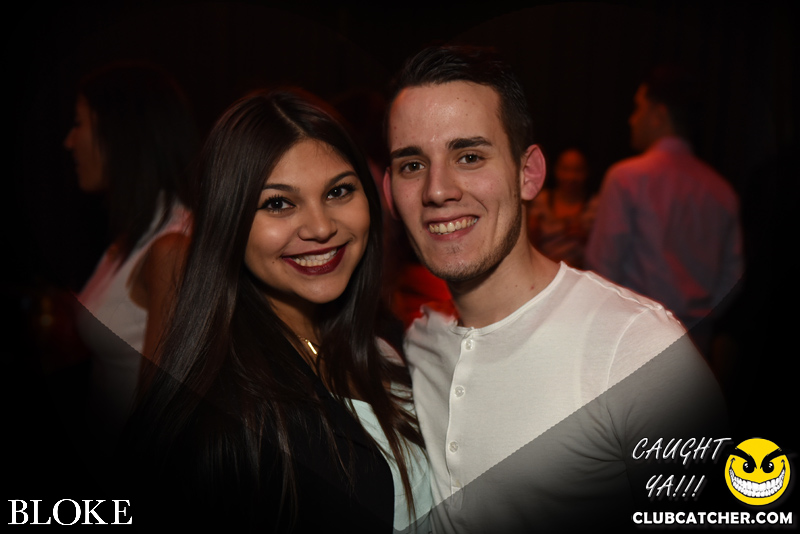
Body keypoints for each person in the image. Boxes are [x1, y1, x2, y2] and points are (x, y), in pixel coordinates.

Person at [382, 46, 727, 532]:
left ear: (528, 174)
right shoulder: (415, 343)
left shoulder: (637, 349)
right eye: (412, 165)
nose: (437, 190)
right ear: (389, 190)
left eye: (470, 156)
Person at [125, 89, 431, 532]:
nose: (321, 227)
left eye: (339, 191)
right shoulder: (220, 422)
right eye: (278, 203)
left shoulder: (385, 340)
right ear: (228, 221)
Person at [63, 61, 198, 441]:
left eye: (78, 123)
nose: (69, 141)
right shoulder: (137, 232)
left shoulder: (172, 246)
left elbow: (160, 424)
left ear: (119, 134)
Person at [585, 66, 743, 354]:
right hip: (696, 343)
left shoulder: (626, 177)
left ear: (658, 114)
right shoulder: (722, 190)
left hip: (634, 341)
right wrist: (701, 316)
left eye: (638, 108)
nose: (632, 119)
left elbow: (603, 271)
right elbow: (733, 275)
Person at [527, 146, 598, 268]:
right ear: (556, 170)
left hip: (583, 270)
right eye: (565, 169)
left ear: (587, 172)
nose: (571, 177)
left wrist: (585, 237)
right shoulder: (541, 200)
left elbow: (607, 248)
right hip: (545, 268)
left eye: (577, 170)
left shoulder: (596, 205)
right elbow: (530, 244)